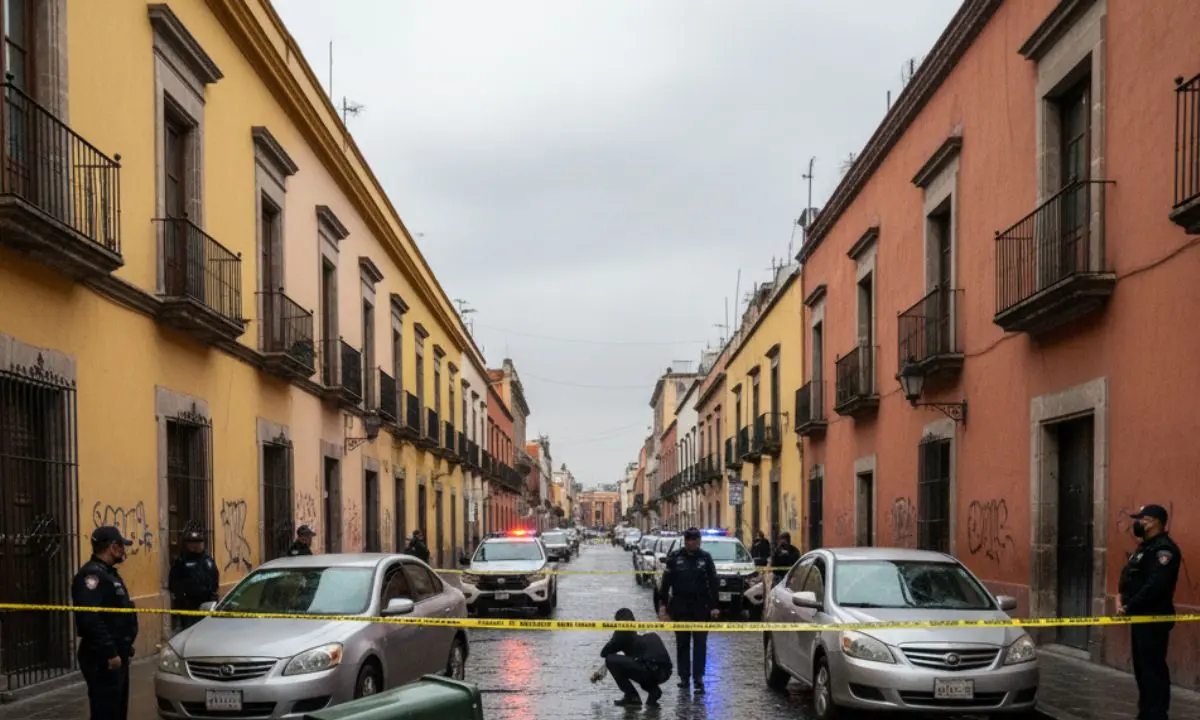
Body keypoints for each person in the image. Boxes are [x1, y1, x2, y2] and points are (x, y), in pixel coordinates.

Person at [1117, 504, 1181, 720]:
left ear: (1154, 521)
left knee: (1153, 670)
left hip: (1153, 618)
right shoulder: (1144, 548)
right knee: (1142, 670)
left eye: (1142, 519)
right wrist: (1122, 598)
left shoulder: (1165, 550)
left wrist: (1129, 605)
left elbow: (1156, 585)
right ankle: (1145, 712)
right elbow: (1130, 574)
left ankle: (1157, 714)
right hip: (1139, 617)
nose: (1138, 523)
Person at [72, 526, 138, 720]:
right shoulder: (91, 576)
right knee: (106, 710)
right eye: (121, 546)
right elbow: (90, 618)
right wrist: (109, 652)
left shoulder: (108, 573)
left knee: (117, 710)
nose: (123, 551)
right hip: (103, 657)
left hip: (118, 653)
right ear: (112, 547)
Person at [655, 527, 719, 693]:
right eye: (689, 540)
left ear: (699, 541)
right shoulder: (675, 557)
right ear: (685, 541)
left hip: (701, 607)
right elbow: (665, 583)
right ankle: (684, 678)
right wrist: (663, 605)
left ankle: (698, 679)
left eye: (695, 540)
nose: (692, 542)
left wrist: (715, 606)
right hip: (680, 606)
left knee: (700, 644)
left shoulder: (706, 558)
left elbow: (713, 583)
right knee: (682, 644)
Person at [598, 608, 673, 707]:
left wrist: (617, 633)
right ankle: (654, 691)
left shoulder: (623, 634)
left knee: (611, 660)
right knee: (638, 667)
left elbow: (604, 653)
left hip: (649, 670)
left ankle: (632, 697)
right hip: (665, 673)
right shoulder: (648, 635)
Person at [168, 529, 219, 631]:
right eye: (192, 543)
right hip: (188, 605)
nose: (196, 546)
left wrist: (213, 594)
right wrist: (182, 595)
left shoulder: (208, 561)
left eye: (198, 542)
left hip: (207, 602)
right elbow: (173, 582)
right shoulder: (181, 562)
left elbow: (215, 578)